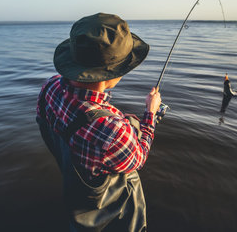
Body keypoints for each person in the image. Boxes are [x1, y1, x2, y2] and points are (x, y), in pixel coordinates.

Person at [36, 13, 161, 232]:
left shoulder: (50, 87)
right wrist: (150, 115)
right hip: (114, 214)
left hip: (75, 195)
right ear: (111, 73)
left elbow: (45, 122)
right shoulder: (111, 130)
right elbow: (138, 158)